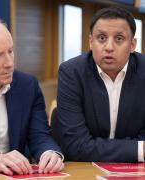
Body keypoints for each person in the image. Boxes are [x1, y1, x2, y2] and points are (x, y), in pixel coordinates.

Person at [0, 16, 64, 175]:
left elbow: (39, 135)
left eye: (10, 51)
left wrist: (50, 153)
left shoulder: (28, 86)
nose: (9, 63)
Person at [57, 6, 145, 162]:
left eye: (119, 39)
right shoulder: (71, 72)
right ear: (91, 42)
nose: (109, 47)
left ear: (133, 45)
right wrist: (138, 149)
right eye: (102, 38)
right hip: (83, 169)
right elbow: (76, 145)